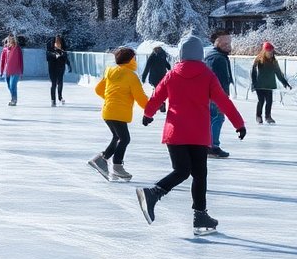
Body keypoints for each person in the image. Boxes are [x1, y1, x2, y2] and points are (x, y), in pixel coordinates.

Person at [135, 34, 246, 234]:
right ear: (200, 54)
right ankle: (154, 194)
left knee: (184, 170)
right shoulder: (207, 75)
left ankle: (199, 215)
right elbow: (224, 102)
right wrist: (239, 124)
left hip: (175, 132)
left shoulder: (172, 74)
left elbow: (157, 95)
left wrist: (148, 114)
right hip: (198, 134)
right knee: (198, 174)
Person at [89, 47, 149, 181]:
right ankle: (116, 166)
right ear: (131, 59)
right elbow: (140, 97)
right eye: (134, 58)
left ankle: (101, 159)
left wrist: (111, 98)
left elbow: (99, 89)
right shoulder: (131, 76)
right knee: (125, 139)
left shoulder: (110, 71)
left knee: (117, 137)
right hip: (118, 113)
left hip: (108, 111)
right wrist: (151, 107)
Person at [204, 29, 235, 157]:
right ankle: (212, 146)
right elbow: (217, 79)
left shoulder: (217, 56)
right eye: (225, 43)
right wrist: (223, 96)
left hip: (212, 94)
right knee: (217, 118)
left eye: (229, 43)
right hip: (215, 95)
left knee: (213, 118)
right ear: (218, 43)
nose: (229, 46)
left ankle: (209, 144)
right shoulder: (217, 58)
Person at [250, 41, 291, 124]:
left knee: (269, 101)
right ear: (264, 52)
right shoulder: (258, 60)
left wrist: (285, 83)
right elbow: (253, 72)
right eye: (269, 52)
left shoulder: (274, 62)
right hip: (260, 85)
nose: (271, 54)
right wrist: (254, 83)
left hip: (269, 85)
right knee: (261, 100)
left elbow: (278, 73)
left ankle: (268, 116)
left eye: (272, 52)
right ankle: (258, 116)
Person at [0, 36, 24, 106]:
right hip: (7, 71)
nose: (9, 42)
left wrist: (21, 70)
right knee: (9, 86)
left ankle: (14, 100)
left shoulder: (17, 48)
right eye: (8, 41)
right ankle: (13, 97)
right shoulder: (5, 49)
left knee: (13, 85)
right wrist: (1, 71)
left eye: (11, 41)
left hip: (16, 70)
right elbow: (2, 61)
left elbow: (21, 60)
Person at [46, 35, 69, 106]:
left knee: (60, 82)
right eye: (56, 42)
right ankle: (53, 100)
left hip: (60, 68)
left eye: (59, 43)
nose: (58, 44)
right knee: (53, 83)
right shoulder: (49, 51)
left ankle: (60, 97)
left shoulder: (63, 51)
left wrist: (62, 54)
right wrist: (54, 55)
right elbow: (48, 57)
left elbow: (66, 59)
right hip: (52, 68)